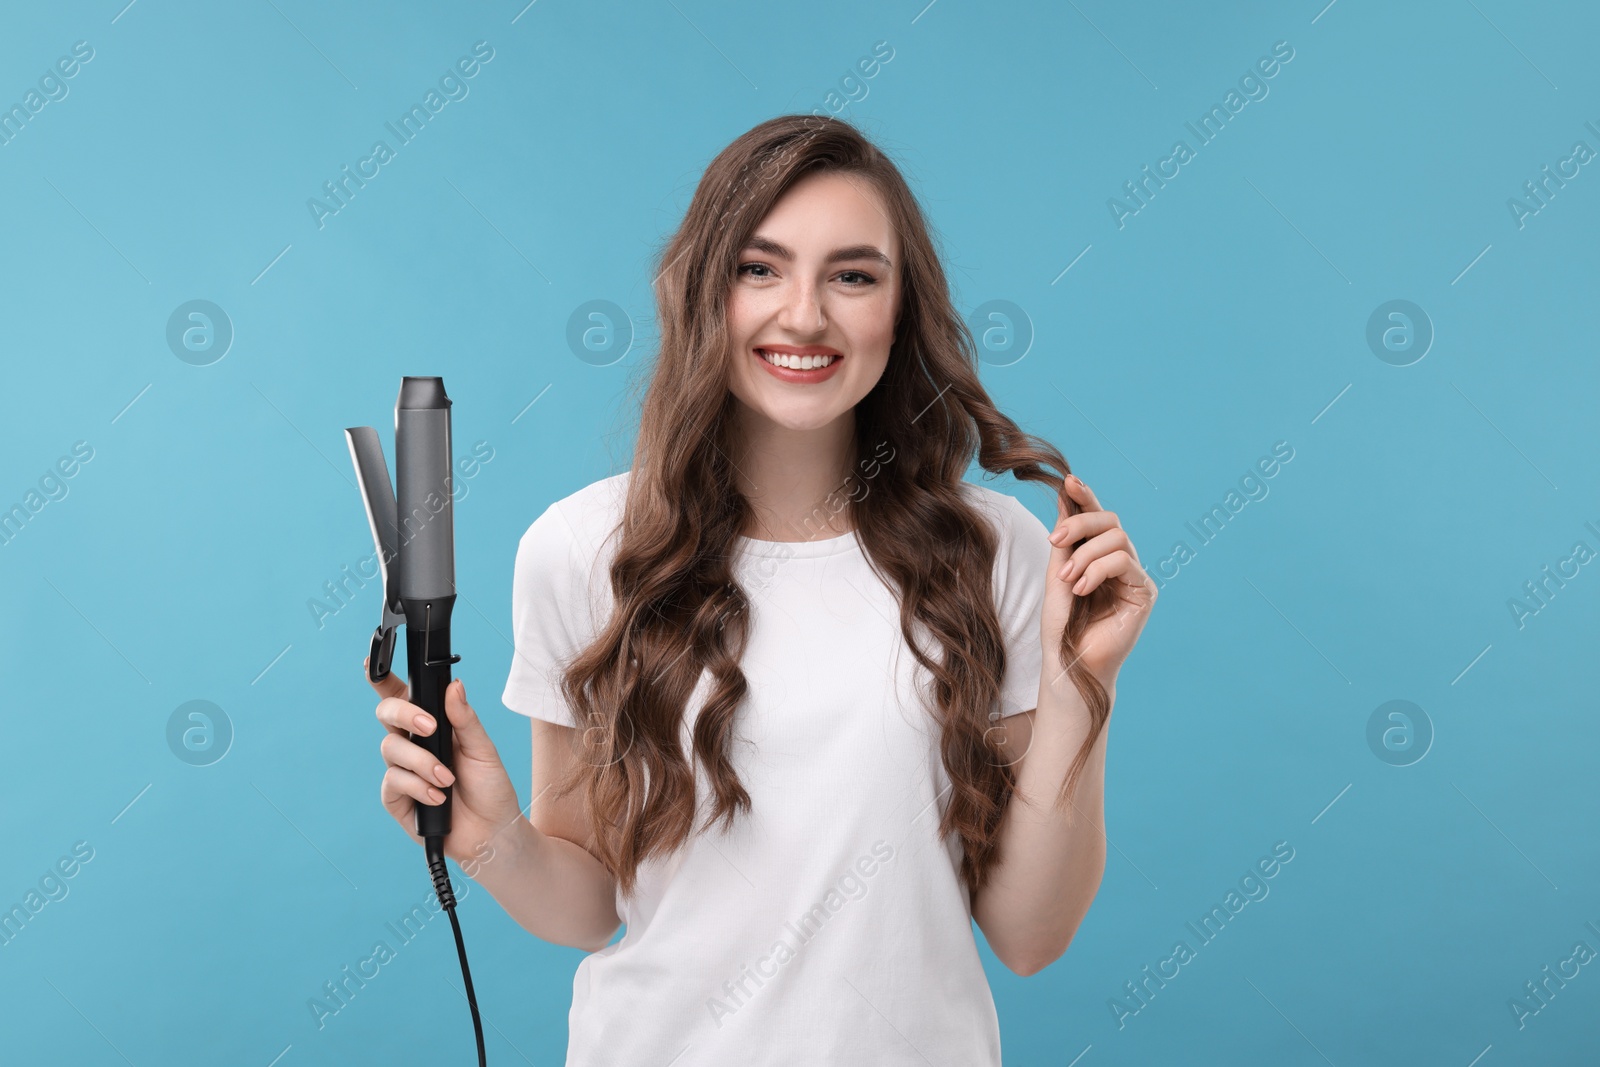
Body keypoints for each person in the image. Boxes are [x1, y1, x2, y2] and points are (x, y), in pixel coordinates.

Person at [370, 113, 1156, 1065]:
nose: (805, 315)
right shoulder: (582, 550)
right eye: (759, 267)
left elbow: (1031, 936)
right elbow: (588, 909)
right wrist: (491, 837)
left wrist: (1083, 685)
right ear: (705, 291)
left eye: (853, 275)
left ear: (901, 309)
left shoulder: (996, 552)